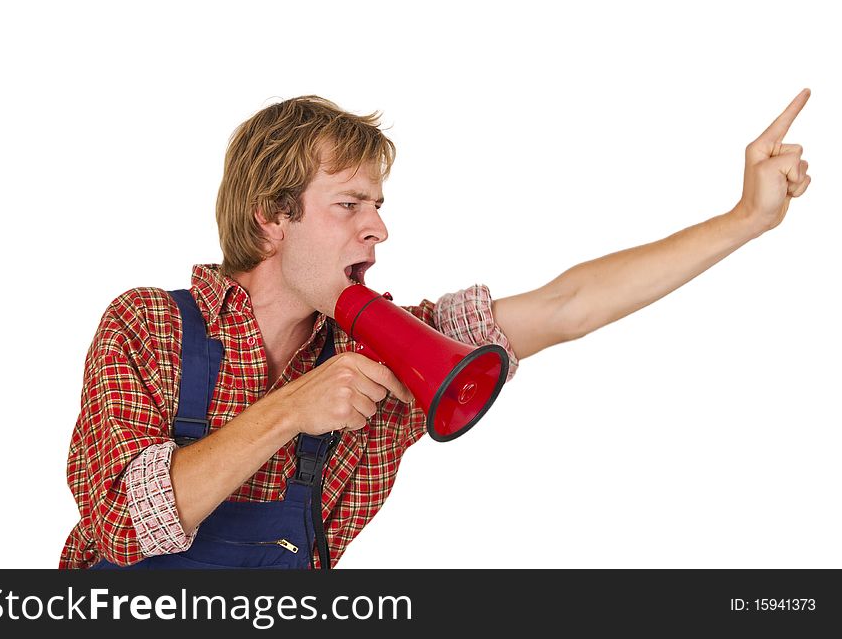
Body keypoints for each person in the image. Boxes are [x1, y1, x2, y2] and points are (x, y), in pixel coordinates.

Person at [60, 90, 811, 569]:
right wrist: (293, 408)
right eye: (349, 205)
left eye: (378, 205)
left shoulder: (380, 356)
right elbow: (124, 522)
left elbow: (565, 305)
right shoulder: (148, 324)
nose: (378, 229)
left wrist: (744, 220)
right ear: (272, 216)